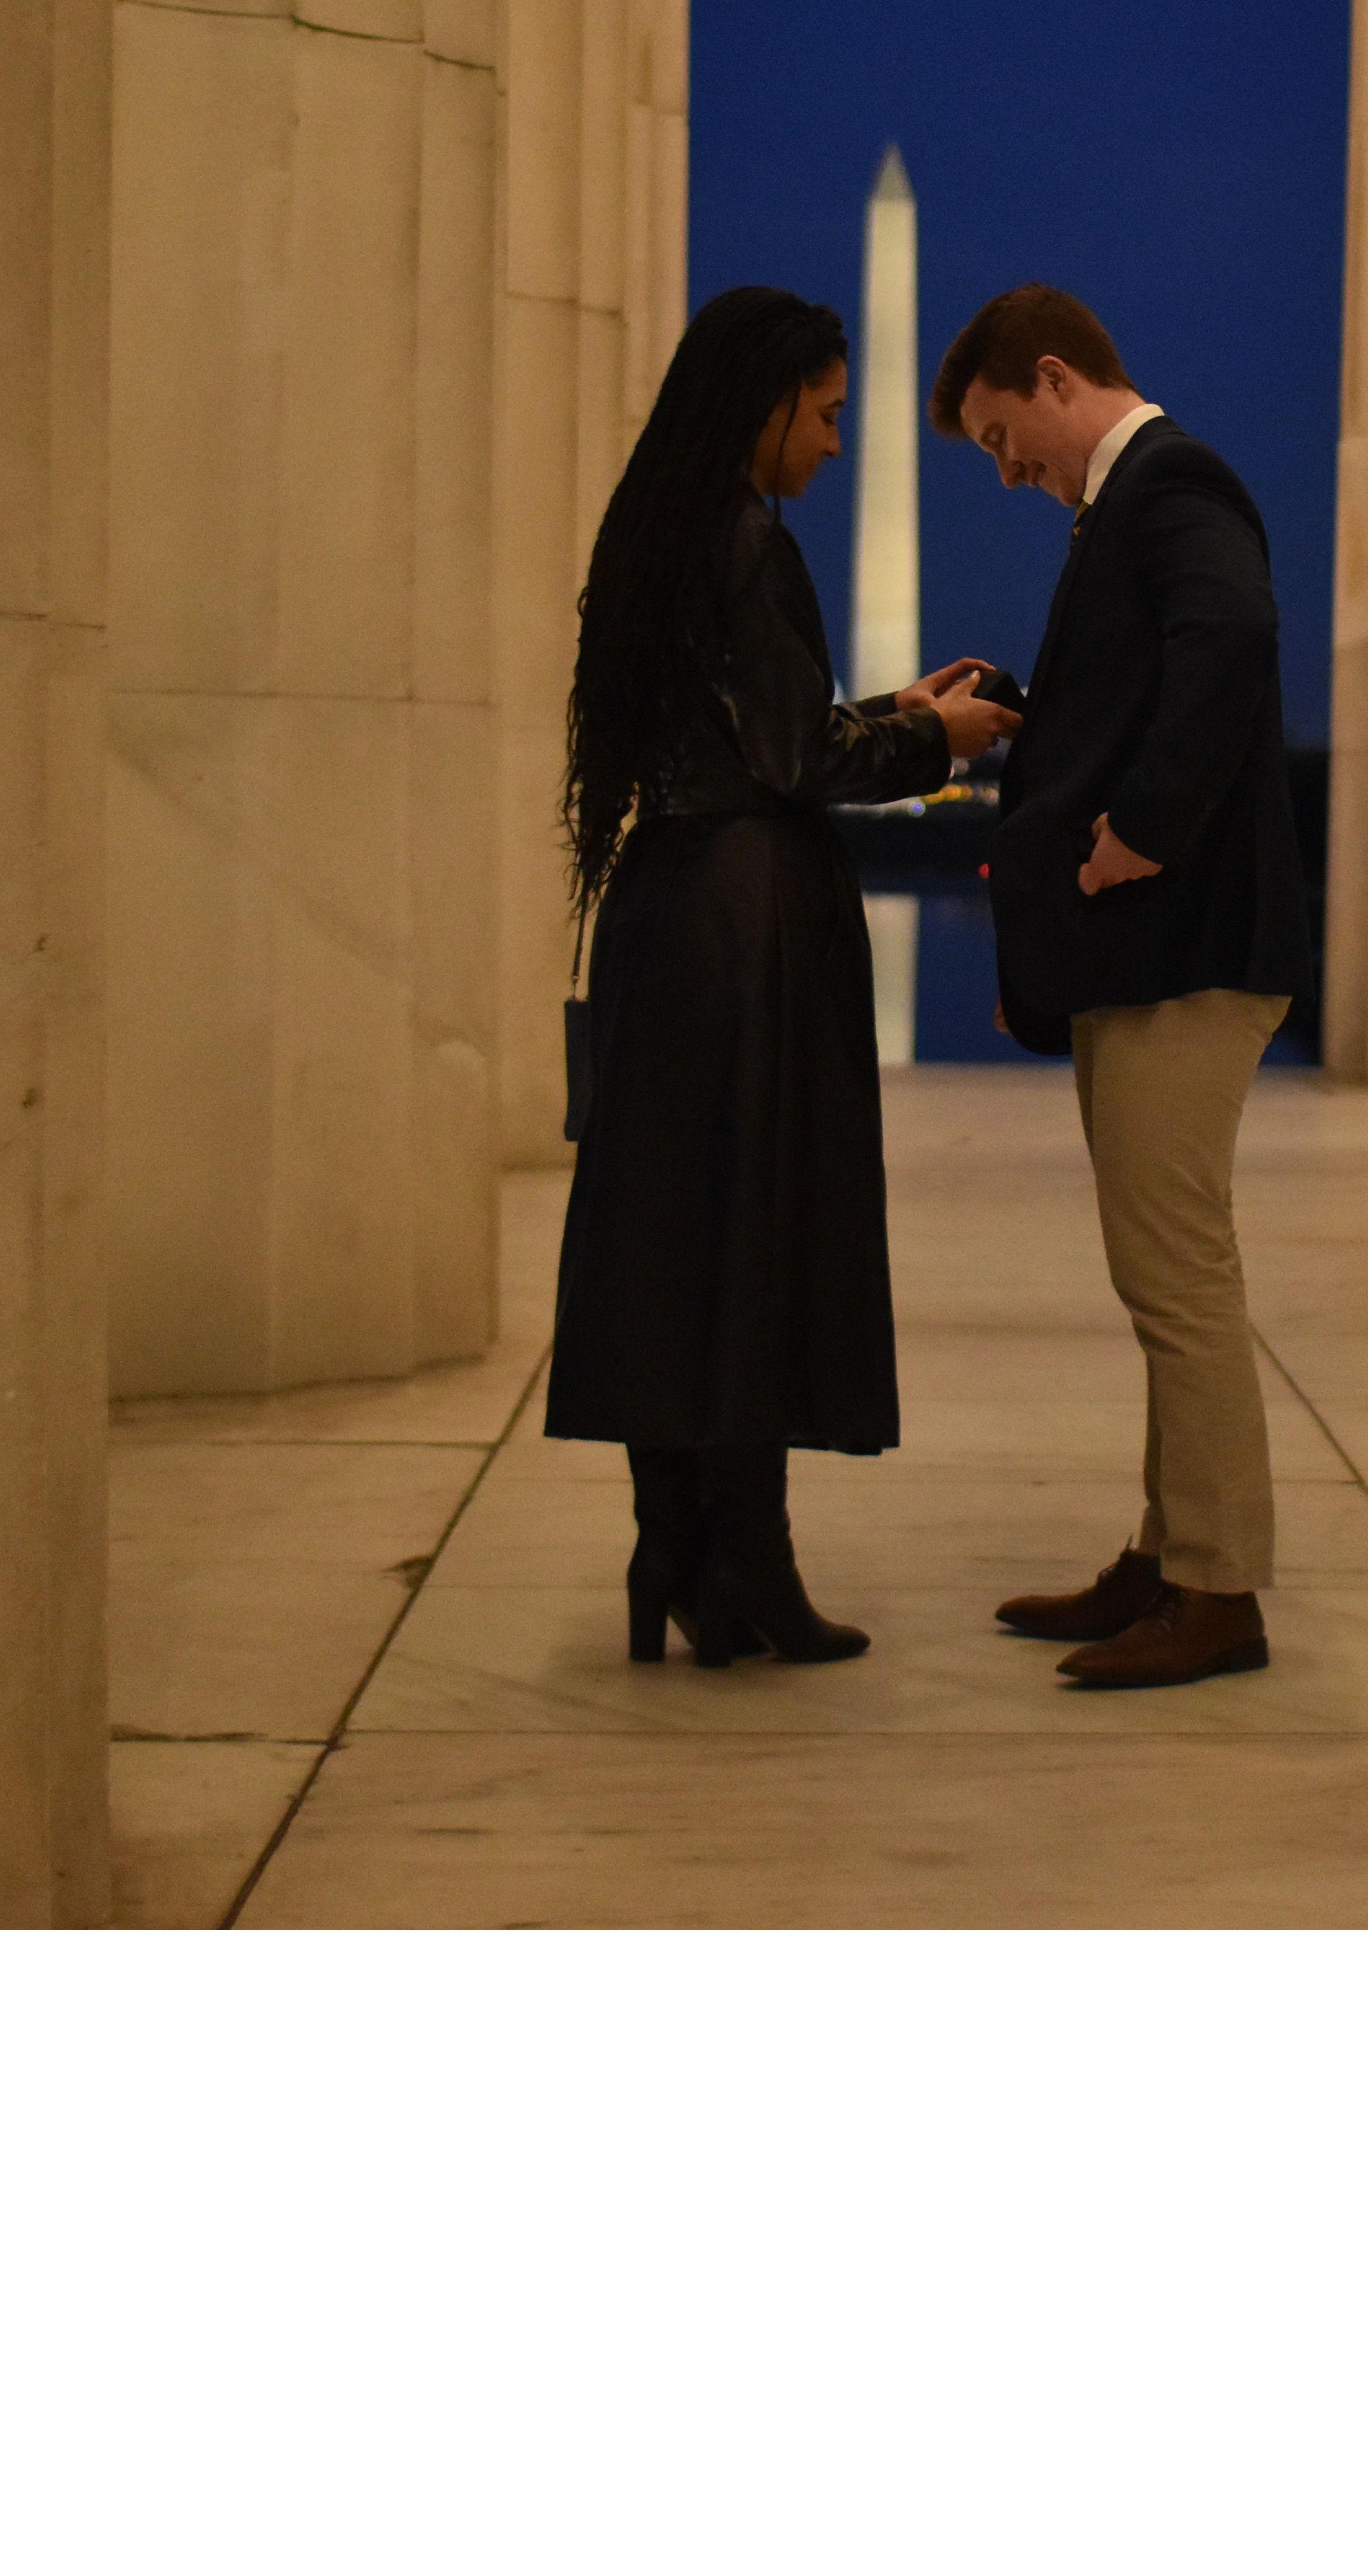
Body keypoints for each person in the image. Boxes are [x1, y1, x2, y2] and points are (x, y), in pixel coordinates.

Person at [548, 284, 1021, 1667]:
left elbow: (743, 734)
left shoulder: (663, 530)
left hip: (670, 913)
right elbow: (798, 765)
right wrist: (943, 744)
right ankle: (746, 1565)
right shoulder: (749, 542)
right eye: (821, 415)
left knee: (672, 1239)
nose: (828, 445)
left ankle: (675, 1548)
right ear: (764, 407)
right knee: (753, 1236)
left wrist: (897, 710)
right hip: (748, 933)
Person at [931, 282, 1313, 1691]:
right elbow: (1165, 669)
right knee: (1163, 1275)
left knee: (1178, 1278)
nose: (1004, 467)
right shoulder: (1134, 501)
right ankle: (1168, 1559)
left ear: (1049, 378)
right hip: (1156, 957)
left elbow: (1231, 641)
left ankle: (1218, 1594)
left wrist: (1136, 830)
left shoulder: (1171, 480)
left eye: (995, 436)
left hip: (1185, 952)